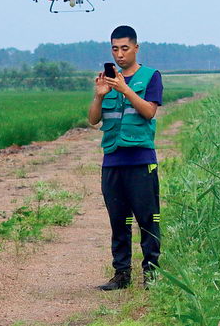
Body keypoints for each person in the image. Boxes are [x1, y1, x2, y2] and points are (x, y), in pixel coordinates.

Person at [87, 25, 163, 290]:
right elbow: (93, 120)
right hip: (113, 161)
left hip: (141, 161)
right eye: (115, 49)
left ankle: (151, 275)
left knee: (148, 220)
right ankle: (121, 275)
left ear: (136, 48)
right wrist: (99, 96)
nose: (119, 54)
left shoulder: (150, 77)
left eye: (125, 48)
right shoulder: (106, 81)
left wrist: (125, 90)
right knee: (119, 221)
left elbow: (149, 112)